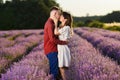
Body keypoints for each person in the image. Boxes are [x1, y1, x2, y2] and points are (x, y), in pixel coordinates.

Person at [44, 6, 68, 80]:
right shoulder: (50, 24)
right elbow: (52, 40)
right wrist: (64, 42)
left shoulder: (51, 22)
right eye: (58, 14)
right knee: (55, 72)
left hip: (51, 50)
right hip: (52, 50)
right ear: (54, 14)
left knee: (54, 71)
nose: (59, 16)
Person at [53, 11, 73, 80]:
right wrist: (61, 24)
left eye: (61, 16)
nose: (60, 17)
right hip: (62, 47)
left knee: (62, 67)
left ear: (65, 19)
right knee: (62, 67)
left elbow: (55, 33)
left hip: (63, 48)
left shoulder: (66, 28)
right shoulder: (64, 27)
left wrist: (55, 22)